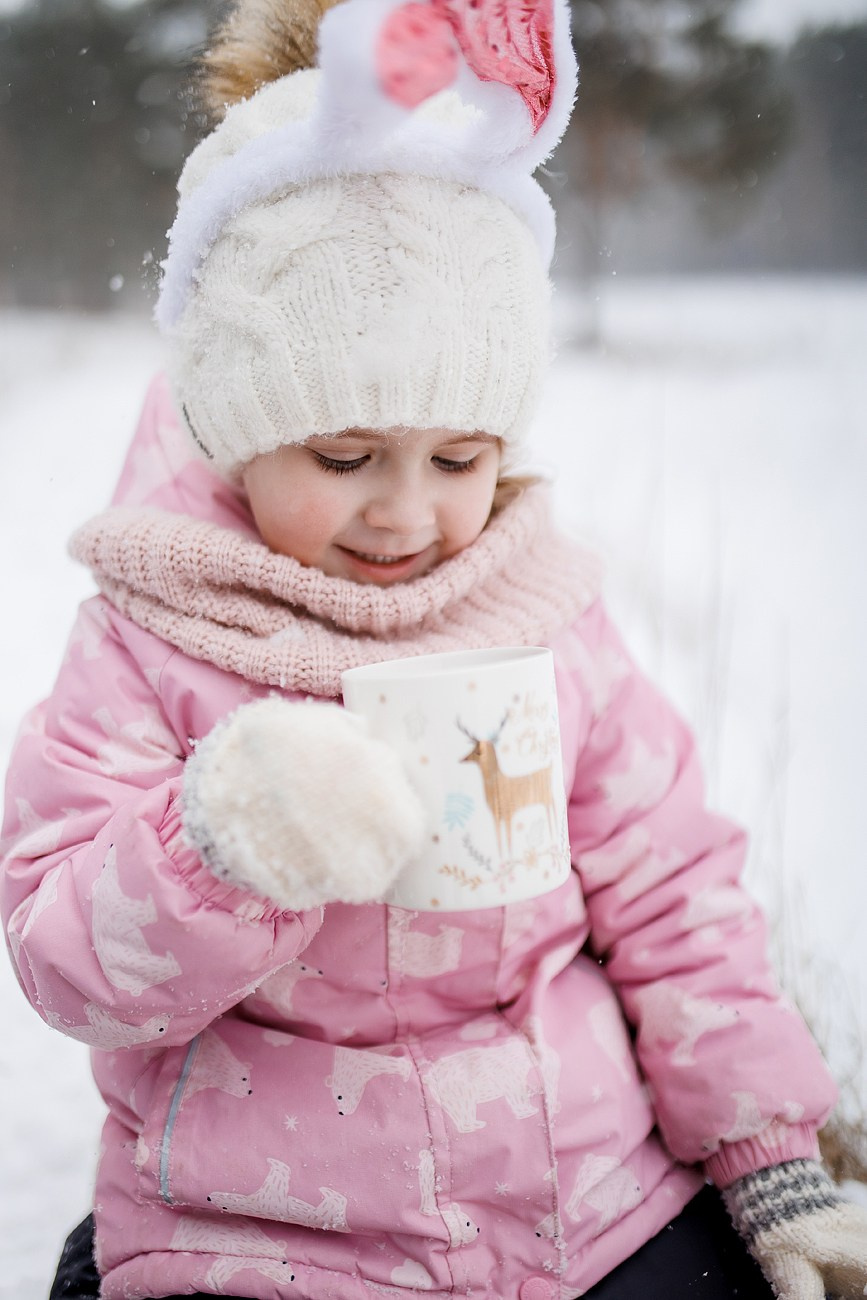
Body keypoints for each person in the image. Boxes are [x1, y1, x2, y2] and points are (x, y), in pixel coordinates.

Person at [3, 0, 867, 1297]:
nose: (406, 515)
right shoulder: (154, 637)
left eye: (459, 459)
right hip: (262, 1233)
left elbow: (673, 893)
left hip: (590, 1203)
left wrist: (767, 1155)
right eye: (345, 456)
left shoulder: (545, 611)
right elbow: (71, 968)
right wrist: (222, 844)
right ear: (238, 430)